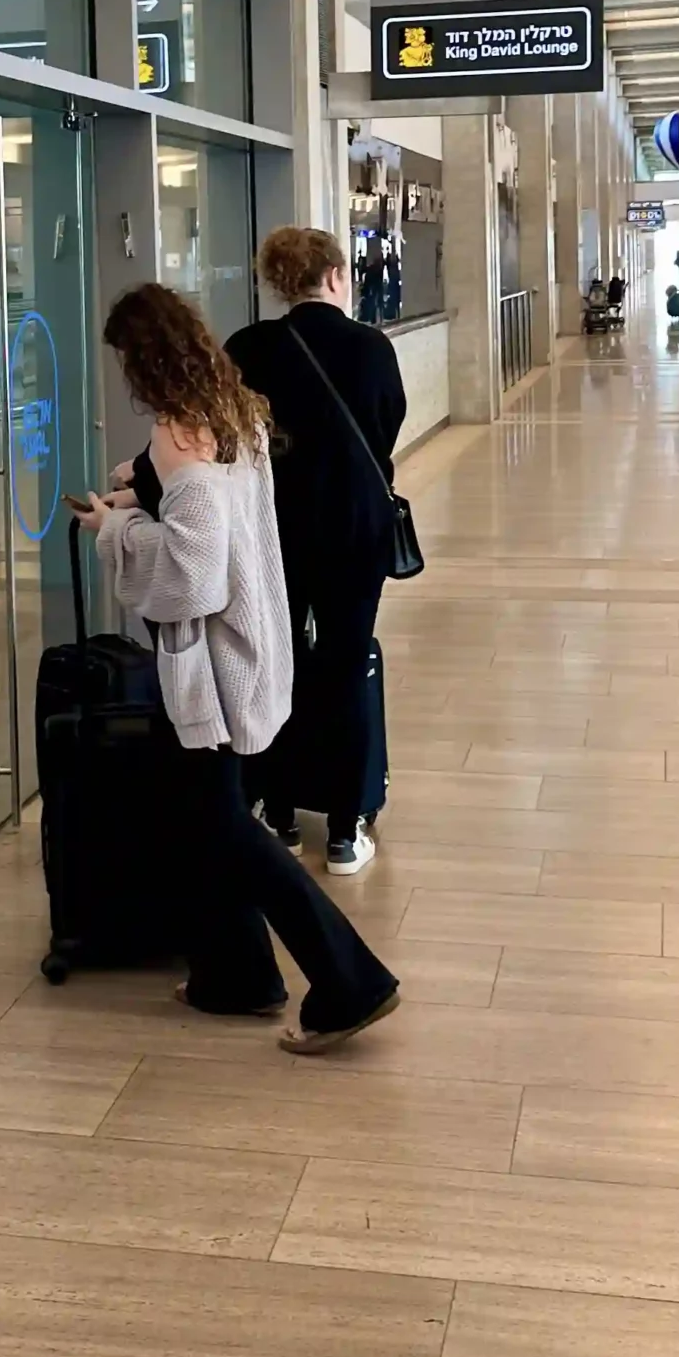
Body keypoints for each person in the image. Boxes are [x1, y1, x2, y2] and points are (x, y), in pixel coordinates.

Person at [78, 283, 398, 1054]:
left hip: (210, 665)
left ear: (141, 358)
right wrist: (145, 488)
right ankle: (238, 974)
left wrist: (115, 528)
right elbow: (214, 513)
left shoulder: (175, 434)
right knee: (203, 819)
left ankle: (349, 977)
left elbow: (193, 573)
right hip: (252, 646)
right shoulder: (234, 409)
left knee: (224, 825)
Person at [224, 227, 406, 876]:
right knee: (345, 660)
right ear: (333, 275)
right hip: (355, 531)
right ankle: (342, 828)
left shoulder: (246, 348)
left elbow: (230, 435)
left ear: (278, 282)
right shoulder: (369, 348)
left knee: (277, 661)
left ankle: (276, 809)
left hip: (272, 530)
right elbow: (386, 424)